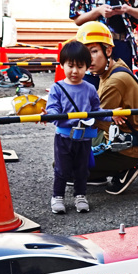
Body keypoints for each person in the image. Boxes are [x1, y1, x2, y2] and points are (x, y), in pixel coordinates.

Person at [77, 21, 138, 195]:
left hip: (125, 148)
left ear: (108, 50)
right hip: (122, 136)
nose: (88, 59)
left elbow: (95, 121)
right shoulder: (115, 67)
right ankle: (99, 172)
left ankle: (123, 169)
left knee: (65, 164)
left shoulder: (114, 81)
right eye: (85, 53)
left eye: (94, 51)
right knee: (74, 143)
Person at [46, 41, 111, 214]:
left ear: (87, 67)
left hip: (84, 138)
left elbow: (96, 111)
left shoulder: (90, 88)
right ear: (62, 65)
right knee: (62, 169)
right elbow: (53, 109)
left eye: (80, 66)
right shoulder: (57, 88)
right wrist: (50, 115)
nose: (75, 71)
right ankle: (57, 196)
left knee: (82, 170)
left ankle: (80, 196)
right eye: (70, 66)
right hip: (64, 137)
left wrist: (112, 115)